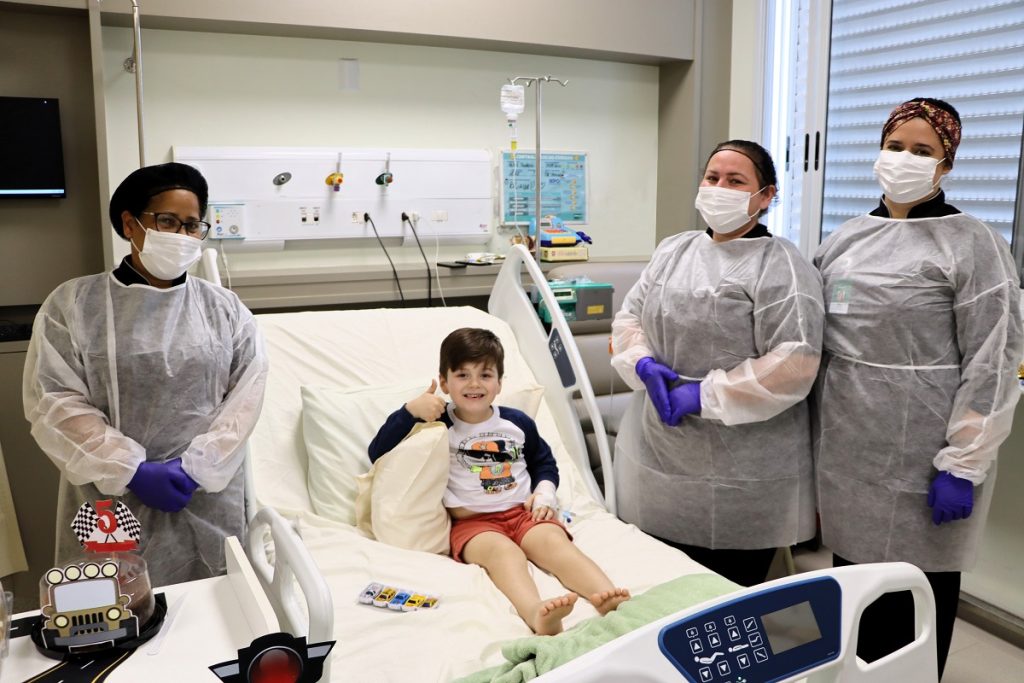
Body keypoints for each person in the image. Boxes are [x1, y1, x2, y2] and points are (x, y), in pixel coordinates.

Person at [813, 97, 1023, 678]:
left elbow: (996, 358)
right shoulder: (846, 239)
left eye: (922, 150)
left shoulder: (972, 245)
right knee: (853, 589)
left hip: (925, 457)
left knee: (915, 601)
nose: (903, 158)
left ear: (946, 165)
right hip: (847, 451)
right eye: (895, 146)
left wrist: (963, 461)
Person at [24, 162, 269, 588]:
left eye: (192, 226)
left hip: (205, 495)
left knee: (215, 610)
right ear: (131, 224)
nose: (181, 235)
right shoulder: (74, 306)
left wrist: (199, 465)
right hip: (110, 496)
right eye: (168, 221)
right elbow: (55, 400)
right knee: (114, 610)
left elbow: (246, 395)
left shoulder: (225, 309)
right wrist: (130, 468)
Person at [610, 140, 825, 588]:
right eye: (712, 178)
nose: (719, 188)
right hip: (660, 455)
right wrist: (643, 364)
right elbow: (630, 317)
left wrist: (703, 395)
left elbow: (795, 362)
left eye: (735, 181)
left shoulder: (781, 265)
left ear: (765, 196)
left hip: (744, 470)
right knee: (662, 591)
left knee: (723, 603)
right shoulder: (675, 250)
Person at [368, 327, 629, 635]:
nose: (475, 384)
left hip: (523, 514)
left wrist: (544, 494)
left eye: (485, 375)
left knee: (554, 543)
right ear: (444, 382)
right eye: (462, 375)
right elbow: (378, 452)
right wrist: (410, 412)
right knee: (504, 554)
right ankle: (536, 614)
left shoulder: (517, 423)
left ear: (499, 383)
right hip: (473, 526)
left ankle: (605, 596)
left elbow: (544, 463)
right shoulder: (438, 424)